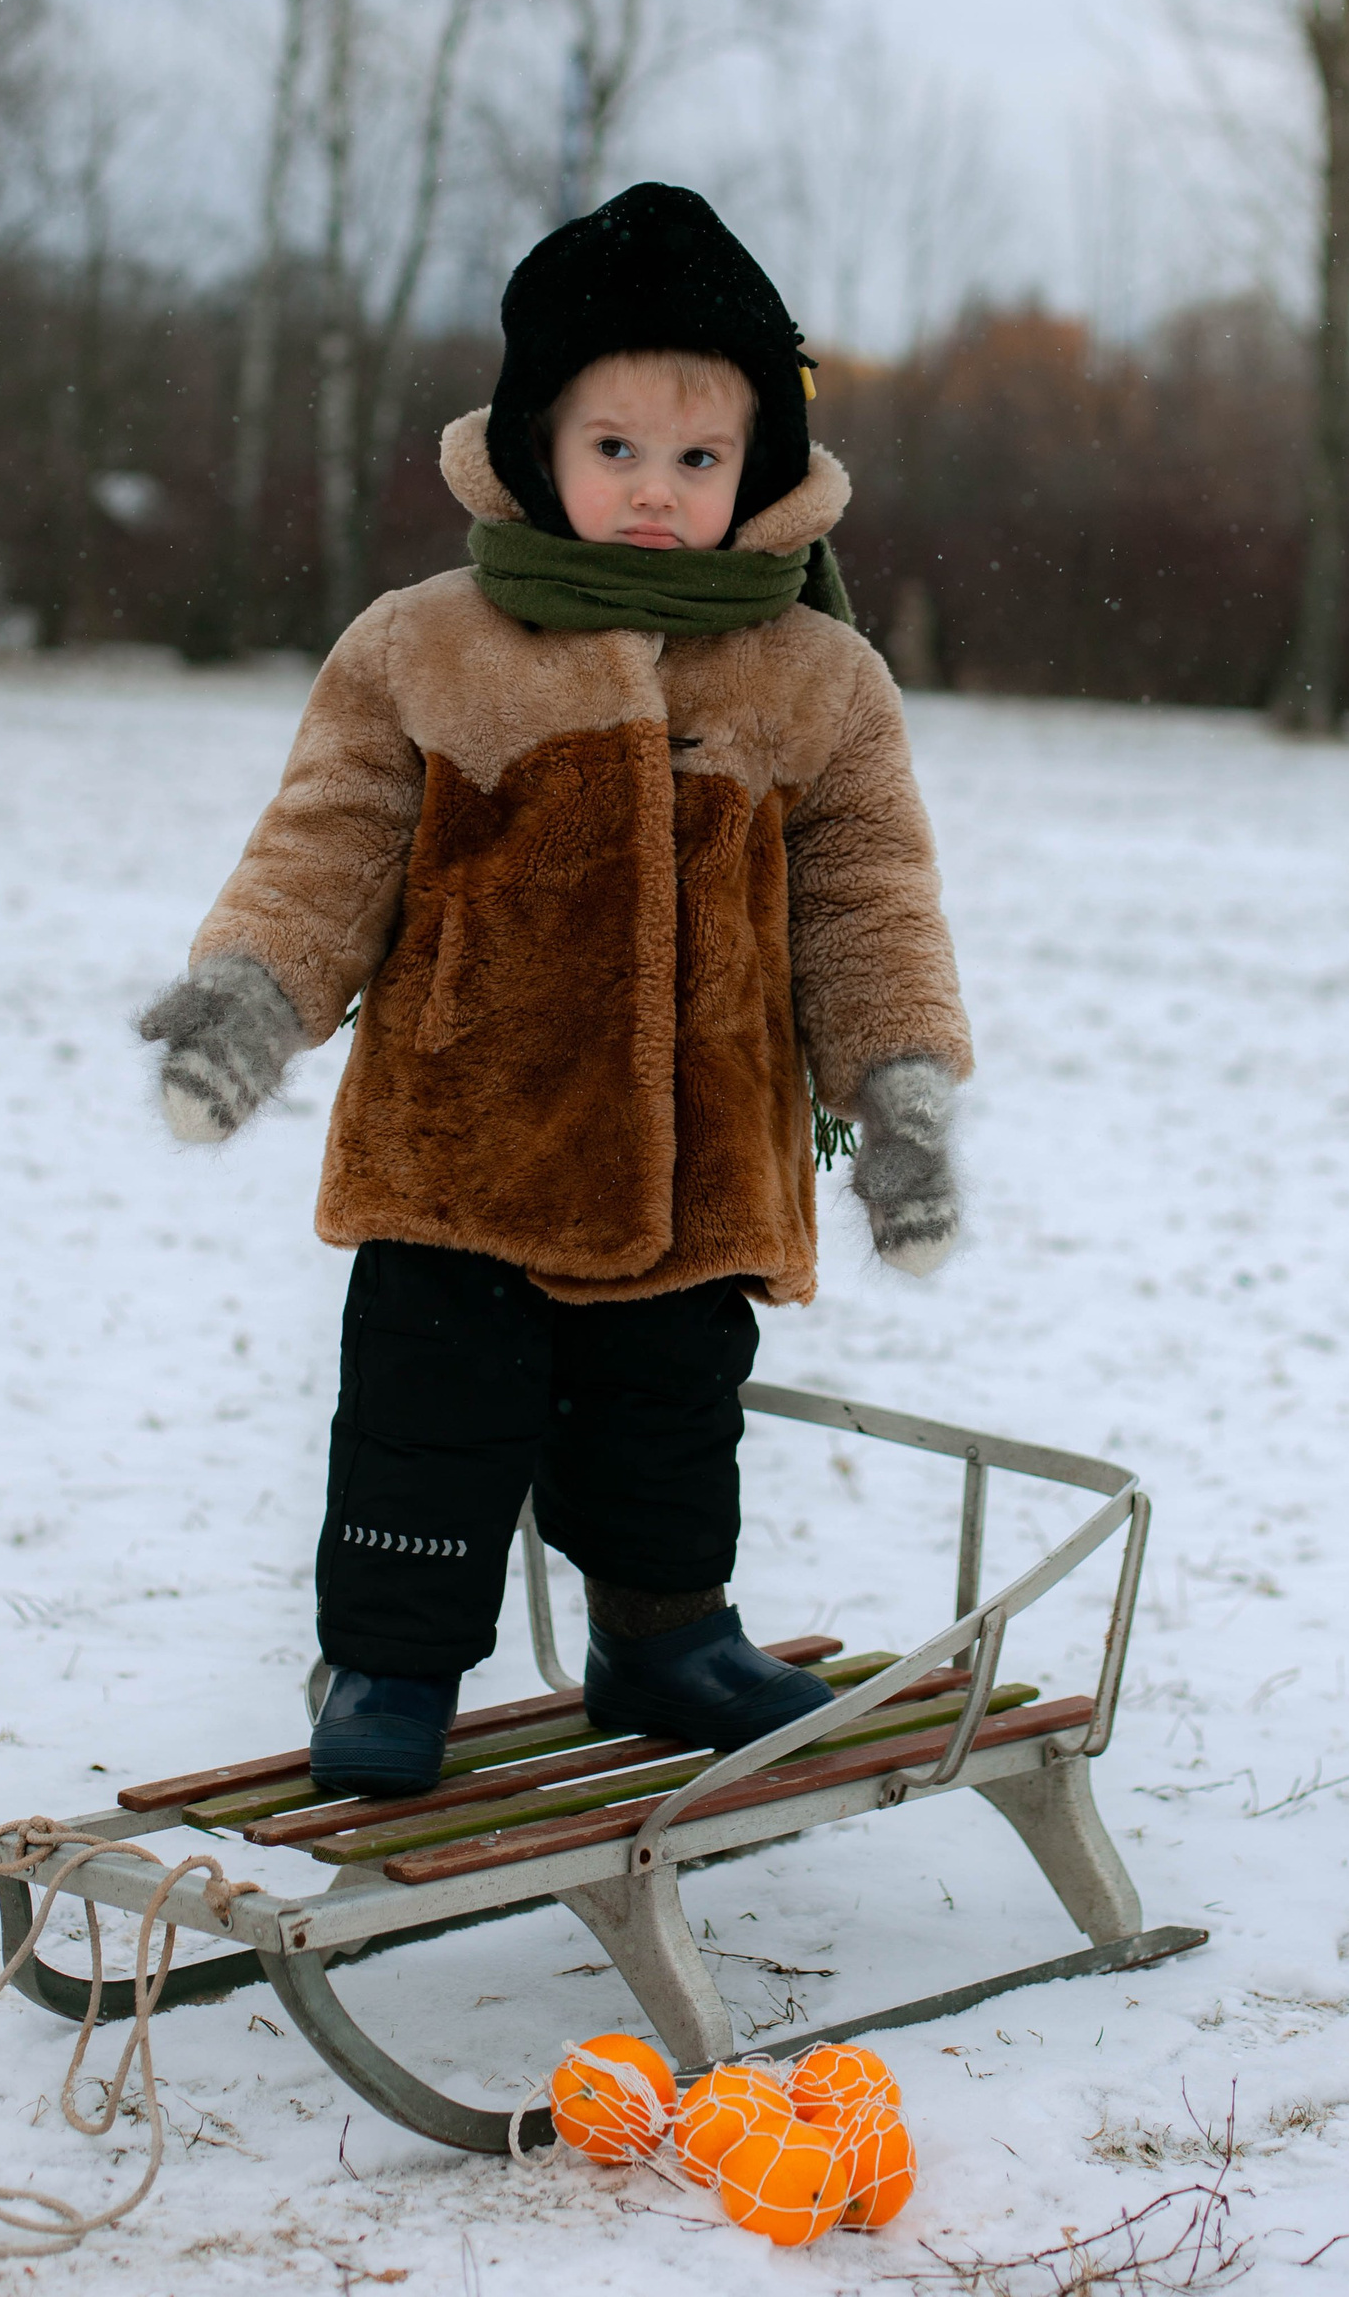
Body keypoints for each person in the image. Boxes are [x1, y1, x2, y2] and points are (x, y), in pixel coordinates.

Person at [138, 183, 972, 1799]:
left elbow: (868, 896)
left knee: (671, 1421)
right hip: (464, 1142)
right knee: (423, 1425)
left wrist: (899, 1090)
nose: (658, 490)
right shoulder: (428, 645)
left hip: (704, 1158)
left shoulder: (818, 677)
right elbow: (330, 839)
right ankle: (389, 1666)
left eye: (700, 458)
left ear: (760, 468)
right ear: (538, 445)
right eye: (616, 448)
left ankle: (665, 1637)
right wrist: (250, 993)